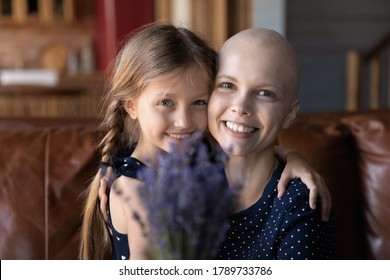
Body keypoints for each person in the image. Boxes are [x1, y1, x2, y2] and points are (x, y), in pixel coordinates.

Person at [80, 23, 331, 260]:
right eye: (228, 85)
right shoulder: (142, 187)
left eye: (198, 102)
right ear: (131, 106)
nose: (184, 121)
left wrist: (289, 155)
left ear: (290, 113)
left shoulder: (197, 160)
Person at [209, 28, 337, 259]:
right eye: (227, 85)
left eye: (265, 93)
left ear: (289, 114)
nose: (241, 106)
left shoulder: (300, 205)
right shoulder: (182, 173)